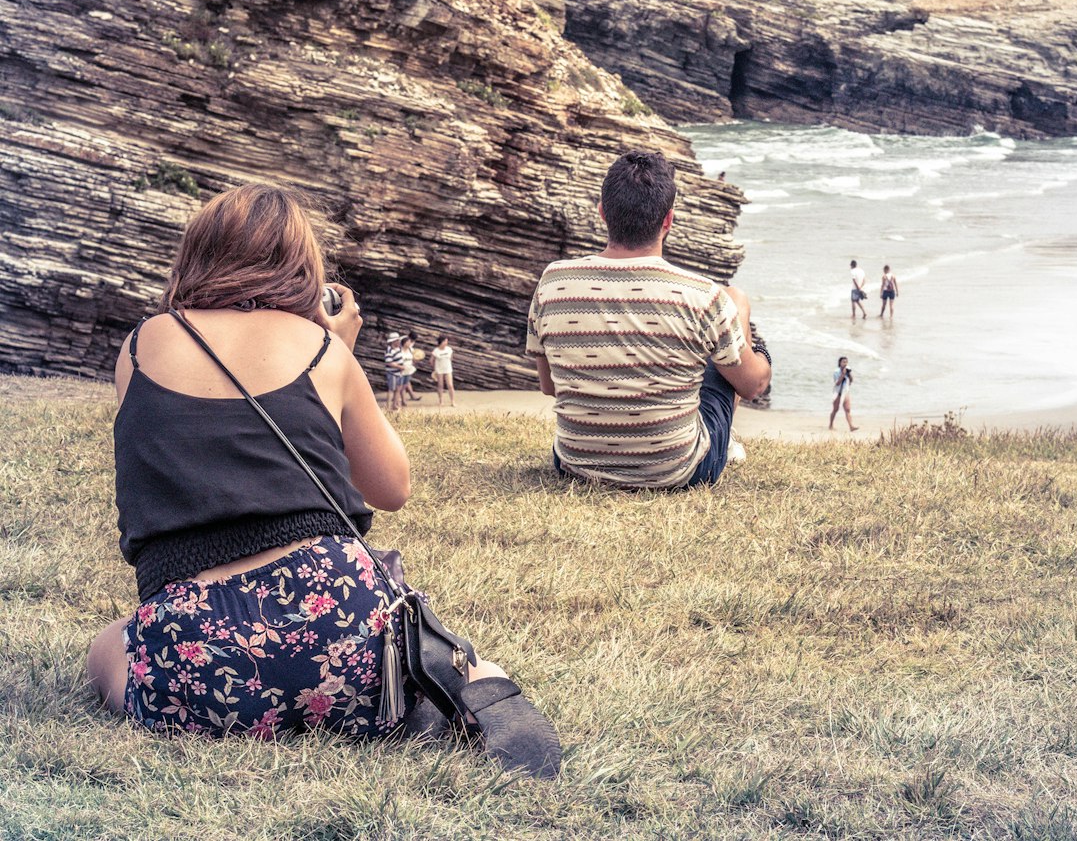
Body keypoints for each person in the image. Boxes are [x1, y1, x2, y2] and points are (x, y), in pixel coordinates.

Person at [86, 184, 558, 774]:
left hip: (197, 646)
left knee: (106, 648)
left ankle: (228, 700)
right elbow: (392, 488)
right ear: (301, 266)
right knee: (426, 655)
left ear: (196, 256)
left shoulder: (140, 345)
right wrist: (340, 352)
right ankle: (465, 682)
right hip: (337, 617)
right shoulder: (321, 349)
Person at [527, 150, 772, 489]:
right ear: (668, 220)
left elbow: (549, 386)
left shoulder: (553, 282)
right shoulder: (704, 296)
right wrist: (759, 353)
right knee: (736, 300)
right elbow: (753, 385)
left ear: (602, 213)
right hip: (679, 471)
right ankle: (722, 443)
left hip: (575, 463)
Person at [829, 356, 857, 431]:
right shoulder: (836, 372)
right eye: (844, 362)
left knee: (847, 409)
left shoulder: (847, 371)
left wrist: (849, 374)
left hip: (845, 391)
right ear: (840, 363)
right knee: (835, 409)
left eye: (846, 362)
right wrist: (843, 374)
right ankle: (830, 425)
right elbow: (837, 383)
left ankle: (851, 426)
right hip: (838, 392)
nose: (845, 363)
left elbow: (851, 381)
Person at [382, 331, 405, 413]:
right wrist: (400, 367)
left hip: (399, 373)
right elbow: (389, 362)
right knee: (391, 389)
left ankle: (394, 405)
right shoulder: (389, 350)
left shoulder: (398, 349)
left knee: (398, 389)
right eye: (397, 340)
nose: (399, 342)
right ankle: (388, 407)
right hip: (392, 373)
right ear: (393, 341)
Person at [431, 335, 456, 407]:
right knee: (440, 385)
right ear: (441, 342)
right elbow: (431, 360)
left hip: (448, 369)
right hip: (439, 370)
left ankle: (452, 401)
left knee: (450, 385)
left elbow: (451, 359)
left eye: (447, 341)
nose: (446, 343)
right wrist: (434, 369)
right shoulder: (436, 350)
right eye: (445, 341)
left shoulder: (449, 349)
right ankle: (441, 401)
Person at [399, 335, 422, 402]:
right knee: (401, 385)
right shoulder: (400, 350)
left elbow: (414, 357)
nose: (410, 343)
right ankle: (403, 399)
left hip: (408, 369)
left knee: (405, 384)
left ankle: (406, 399)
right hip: (401, 370)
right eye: (408, 342)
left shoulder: (410, 349)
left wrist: (415, 360)